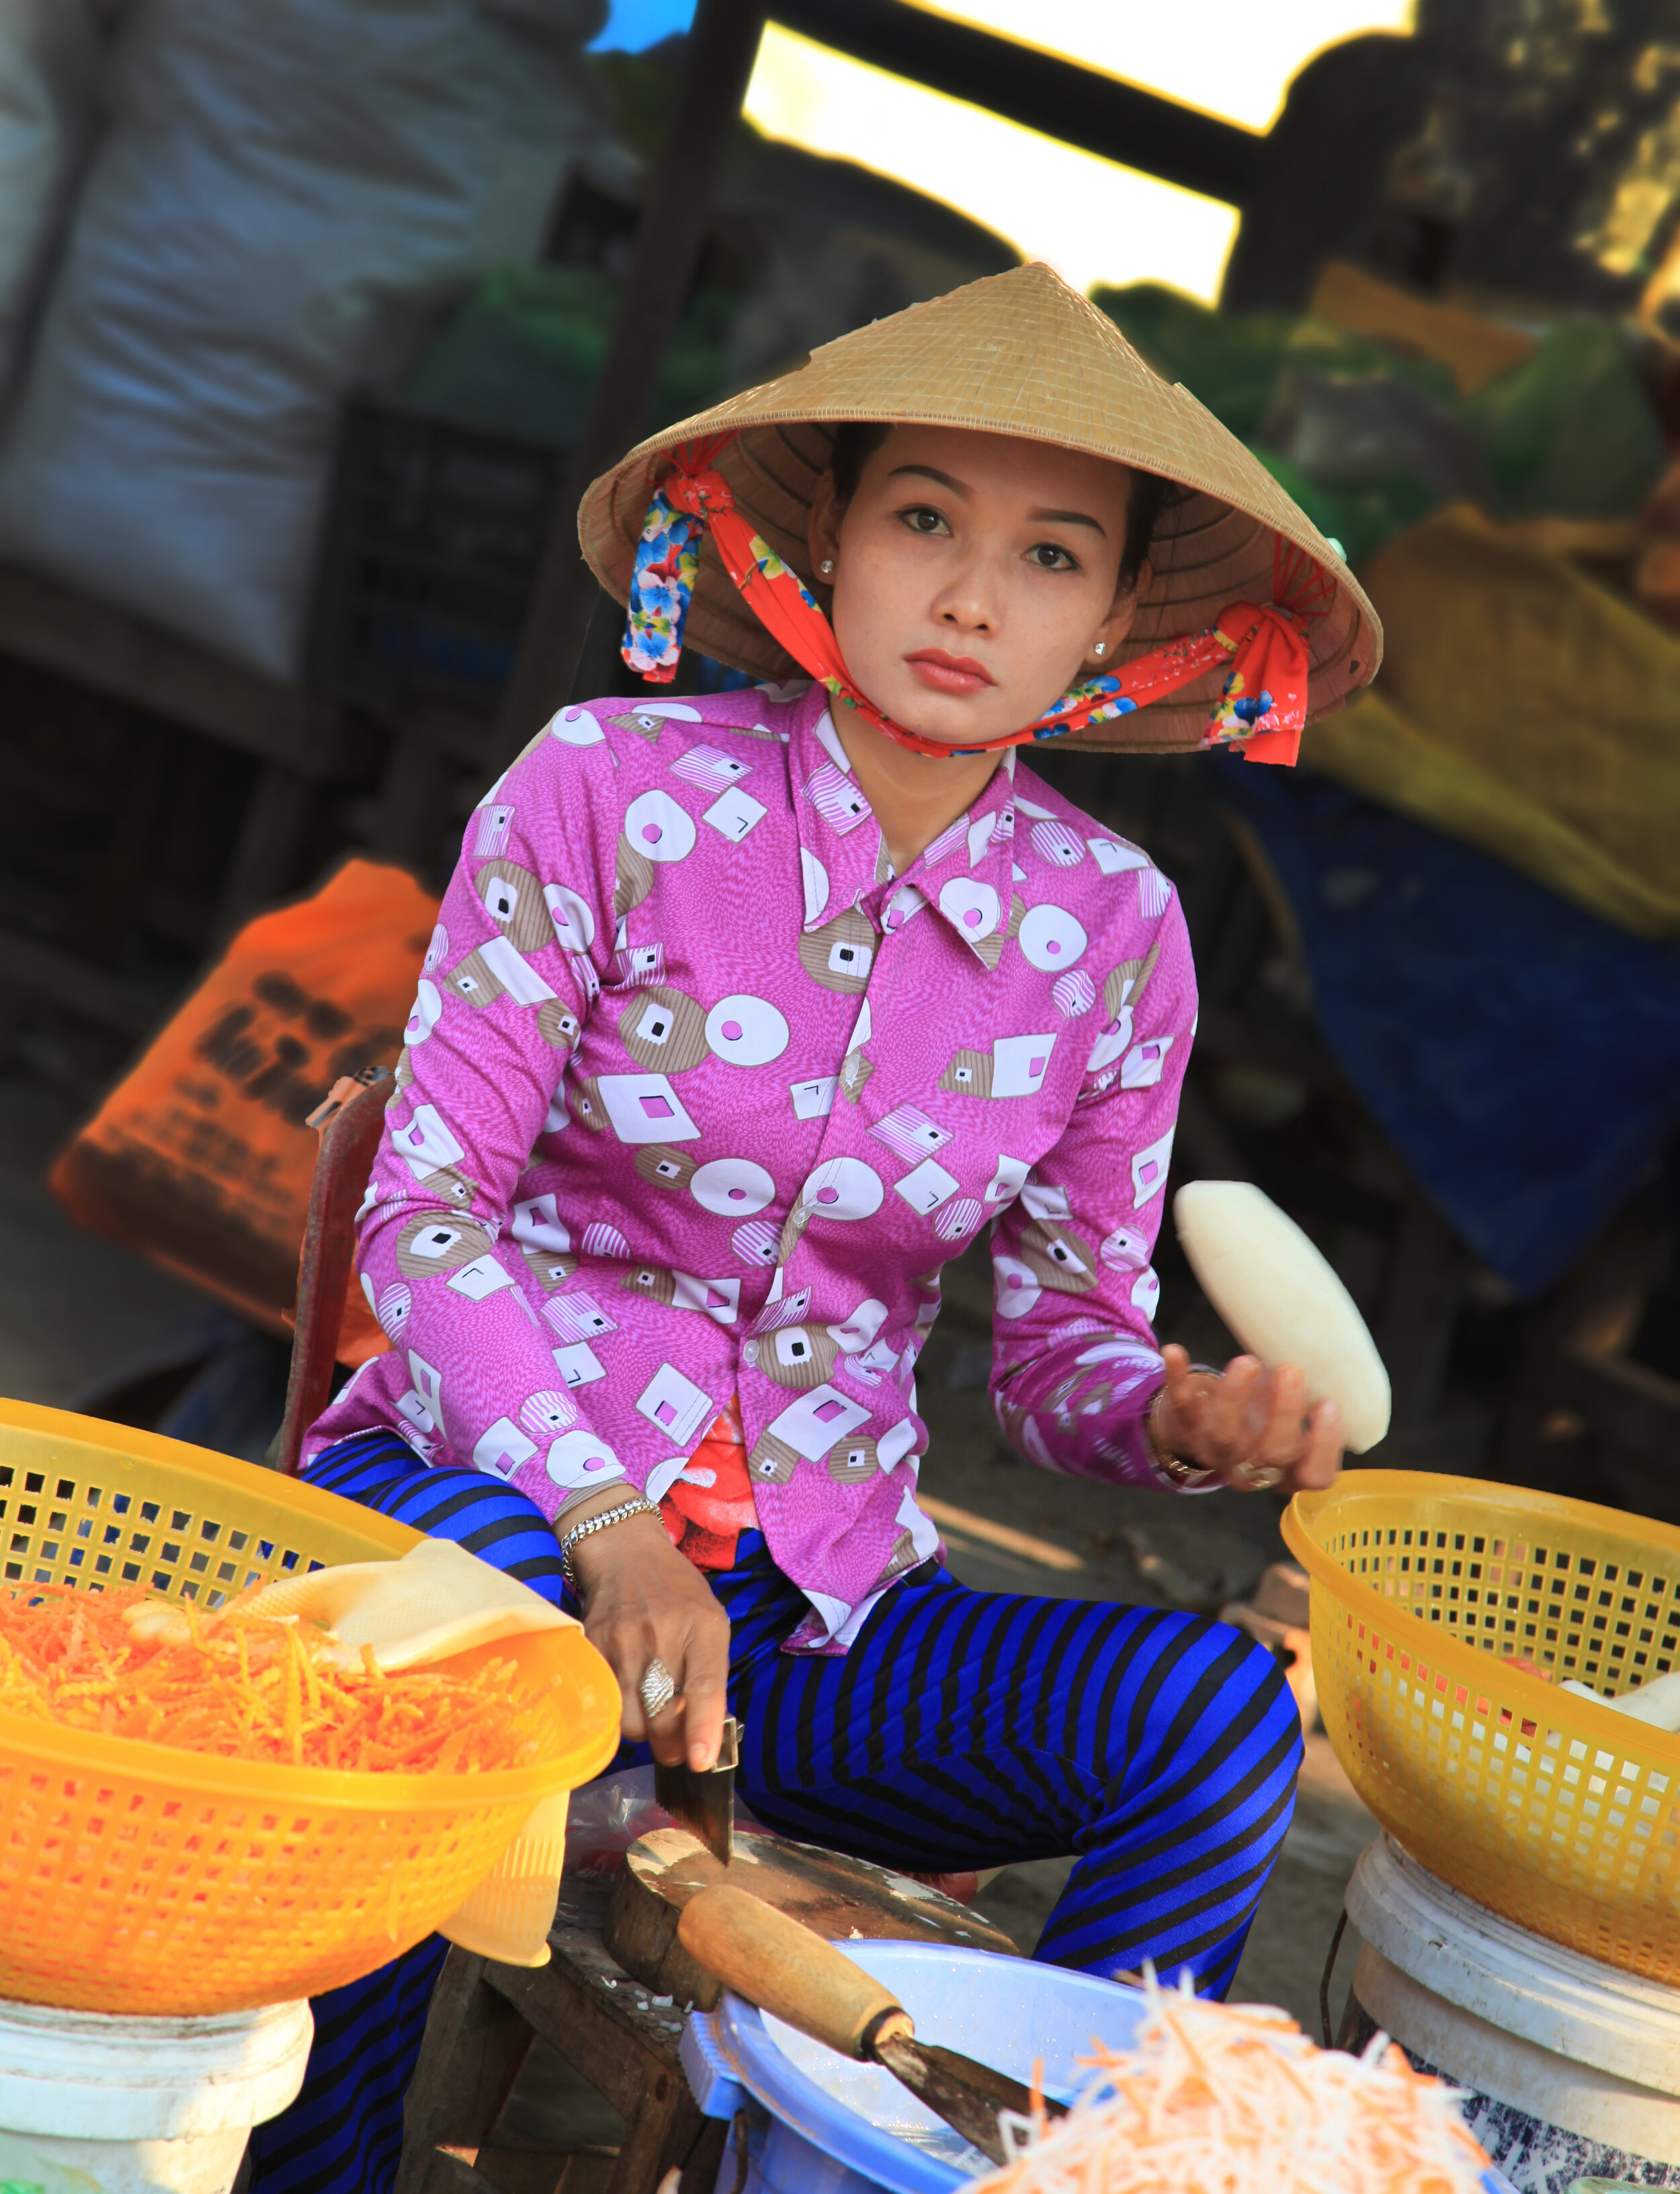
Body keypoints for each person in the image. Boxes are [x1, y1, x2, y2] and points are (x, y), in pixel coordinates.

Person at [247, 262, 1381, 2191]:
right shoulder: (609, 790)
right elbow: (423, 1218)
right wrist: (604, 1525)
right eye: (923, 516)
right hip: (497, 1526)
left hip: (809, 1622)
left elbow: (1058, 1360)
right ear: (827, 540)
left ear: (1110, 620)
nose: (968, 595)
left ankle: (1013, 2178)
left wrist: (1178, 1420)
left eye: (1047, 553)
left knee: (1208, 1718)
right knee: (444, 1640)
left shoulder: (1113, 935)